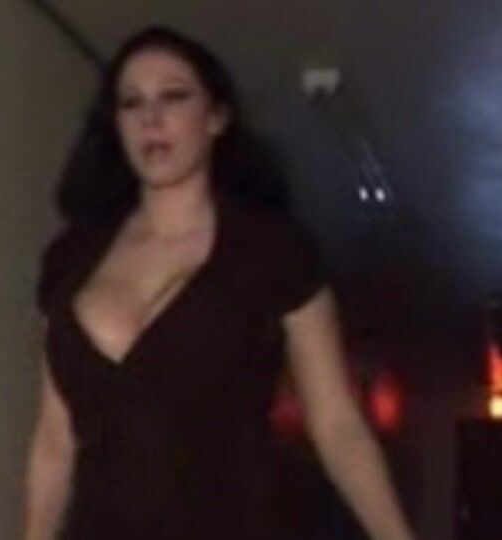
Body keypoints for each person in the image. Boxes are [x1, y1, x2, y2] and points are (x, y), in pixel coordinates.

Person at [24, 25, 414, 540]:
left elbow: (337, 426)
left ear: (216, 117)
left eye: (173, 97)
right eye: (131, 103)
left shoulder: (274, 252)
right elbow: (55, 441)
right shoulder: (71, 258)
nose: (151, 118)